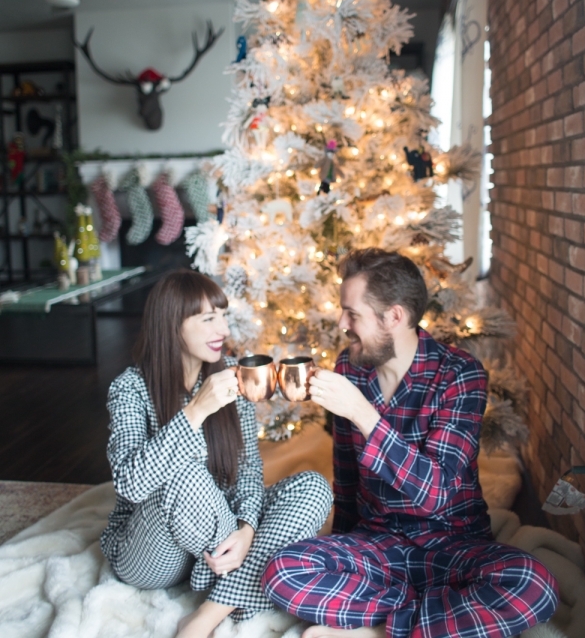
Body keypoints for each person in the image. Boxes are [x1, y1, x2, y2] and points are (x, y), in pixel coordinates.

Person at [263, 248, 558, 638]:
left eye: (352, 313)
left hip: (452, 544)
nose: (341, 323)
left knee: (534, 585)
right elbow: (347, 477)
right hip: (378, 543)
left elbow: (436, 494)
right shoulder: (349, 367)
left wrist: (363, 413)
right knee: (281, 571)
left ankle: (379, 623)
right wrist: (343, 551)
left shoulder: (460, 374)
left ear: (394, 316)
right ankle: (428, 616)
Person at [100, 268, 332, 638]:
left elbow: (248, 473)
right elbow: (129, 484)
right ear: (171, 323)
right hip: (153, 553)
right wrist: (195, 411)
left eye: (223, 316)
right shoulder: (130, 388)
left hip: (217, 543)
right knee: (186, 473)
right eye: (208, 319)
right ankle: (252, 581)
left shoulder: (232, 380)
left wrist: (248, 528)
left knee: (313, 488)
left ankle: (209, 612)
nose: (223, 329)